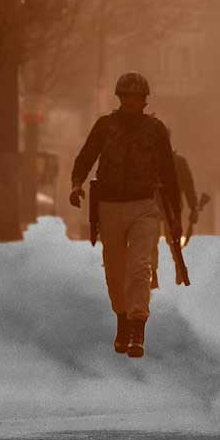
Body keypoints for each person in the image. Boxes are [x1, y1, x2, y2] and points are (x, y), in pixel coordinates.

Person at [69, 72, 181, 358]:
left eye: (136, 98)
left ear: (144, 101)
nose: (131, 103)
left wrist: (175, 212)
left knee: (140, 267)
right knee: (115, 270)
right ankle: (121, 319)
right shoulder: (105, 126)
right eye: (126, 97)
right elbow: (86, 156)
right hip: (109, 206)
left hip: (144, 206)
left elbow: (168, 172)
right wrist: (76, 184)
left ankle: (138, 326)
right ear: (120, 99)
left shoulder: (156, 130)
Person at [151, 145, 198, 289]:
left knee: (169, 239)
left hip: (170, 206)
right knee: (160, 240)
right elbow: (189, 186)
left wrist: (193, 206)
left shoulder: (176, 162)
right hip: (158, 204)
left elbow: (188, 186)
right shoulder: (175, 161)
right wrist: (193, 206)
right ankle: (158, 271)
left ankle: (175, 267)